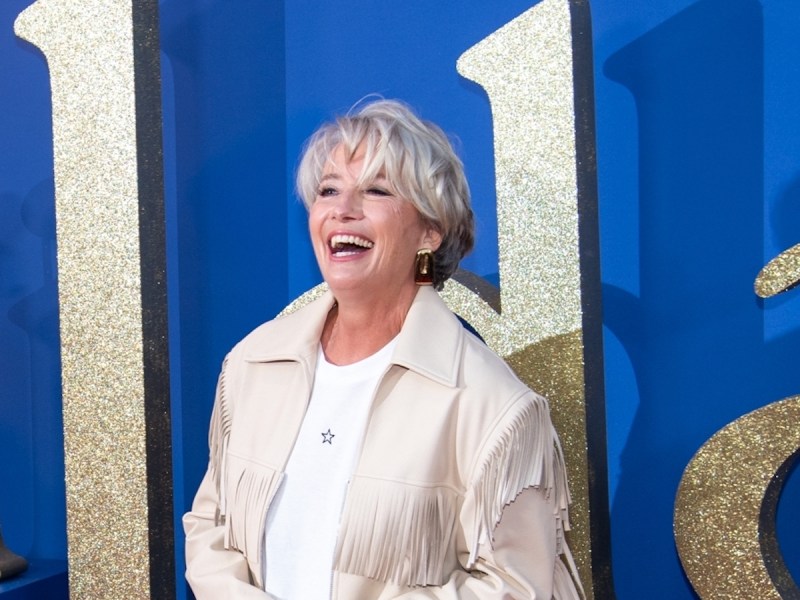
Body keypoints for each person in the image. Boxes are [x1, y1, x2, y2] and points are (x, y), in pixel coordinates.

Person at [183, 98, 582, 599]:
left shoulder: (492, 405)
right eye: (328, 190)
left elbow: (514, 586)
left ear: (430, 231)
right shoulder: (253, 362)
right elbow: (210, 524)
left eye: (376, 190)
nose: (342, 210)